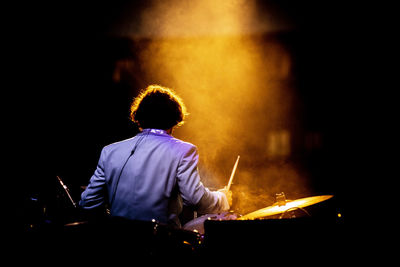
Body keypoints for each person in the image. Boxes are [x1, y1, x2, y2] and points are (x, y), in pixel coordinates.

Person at [79, 84, 232, 228]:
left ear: (139, 116)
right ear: (174, 119)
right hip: (162, 244)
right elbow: (196, 199)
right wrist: (222, 198)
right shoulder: (184, 150)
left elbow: (88, 201)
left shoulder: (110, 151)